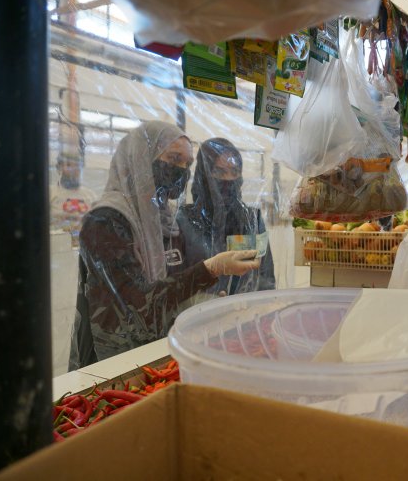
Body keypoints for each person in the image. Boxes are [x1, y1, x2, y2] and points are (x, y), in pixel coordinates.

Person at [69, 122, 260, 370]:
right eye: (173, 158)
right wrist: (209, 270)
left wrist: (200, 303)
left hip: (155, 352)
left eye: (187, 164)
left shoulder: (165, 220)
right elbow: (136, 306)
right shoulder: (106, 221)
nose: (180, 170)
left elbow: (169, 289)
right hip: (111, 365)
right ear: (141, 158)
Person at [177, 138, 275, 297]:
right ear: (204, 175)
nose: (229, 179)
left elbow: (265, 276)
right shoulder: (185, 220)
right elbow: (177, 280)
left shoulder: (252, 219)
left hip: (245, 315)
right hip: (199, 315)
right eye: (220, 172)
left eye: (235, 172)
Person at [49, 153, 97, 246]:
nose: (74, 169)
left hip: (84, 249)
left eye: (77, 165)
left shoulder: (91, 196)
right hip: (58, 248)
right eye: (69, 165)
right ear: (59, 168)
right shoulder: (49, 193)